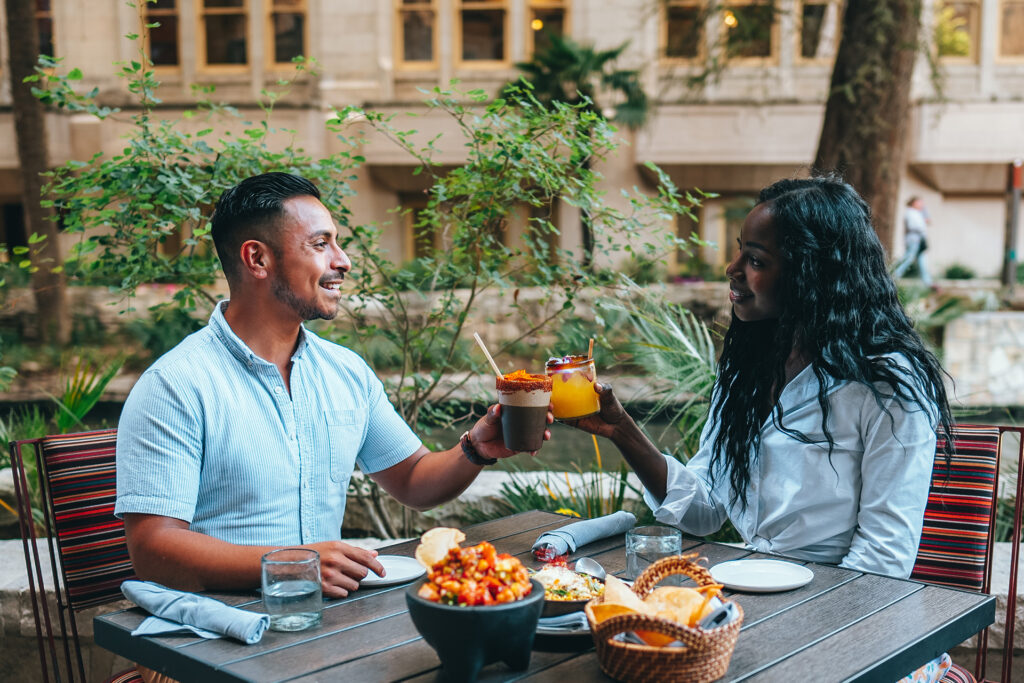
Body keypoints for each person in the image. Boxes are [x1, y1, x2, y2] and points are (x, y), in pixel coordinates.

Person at [115, 172, 551, 602]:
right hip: (211, 641)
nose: (343, 261)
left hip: (326, 630)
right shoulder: (174, 386)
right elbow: (153, 551)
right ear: (257, 259)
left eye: (337, 243)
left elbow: (414, 480)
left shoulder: (346, 372)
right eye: (321, 244)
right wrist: (291, 562)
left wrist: (475, 448)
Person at [569, 177, 953, 579]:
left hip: (844, 609)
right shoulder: (751, 369)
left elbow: (883, 559)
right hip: (754, 587)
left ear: (810, 273)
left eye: (755, 260)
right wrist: (622, 431)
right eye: (740, 252)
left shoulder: (886, 385)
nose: (732, 269)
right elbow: (706, 509)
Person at [892, 195, 934, 287]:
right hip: (914, 240)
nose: (921, 204)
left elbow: (928, 220)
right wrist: (921, 229)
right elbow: (912, 226)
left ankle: (928, 282)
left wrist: (924, 211)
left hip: (920, 240)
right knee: (908, 258)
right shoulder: (910, 213)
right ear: (914, 202)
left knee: (922, 260)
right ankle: (894, 275)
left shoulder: (918, 213)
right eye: (919, 202)